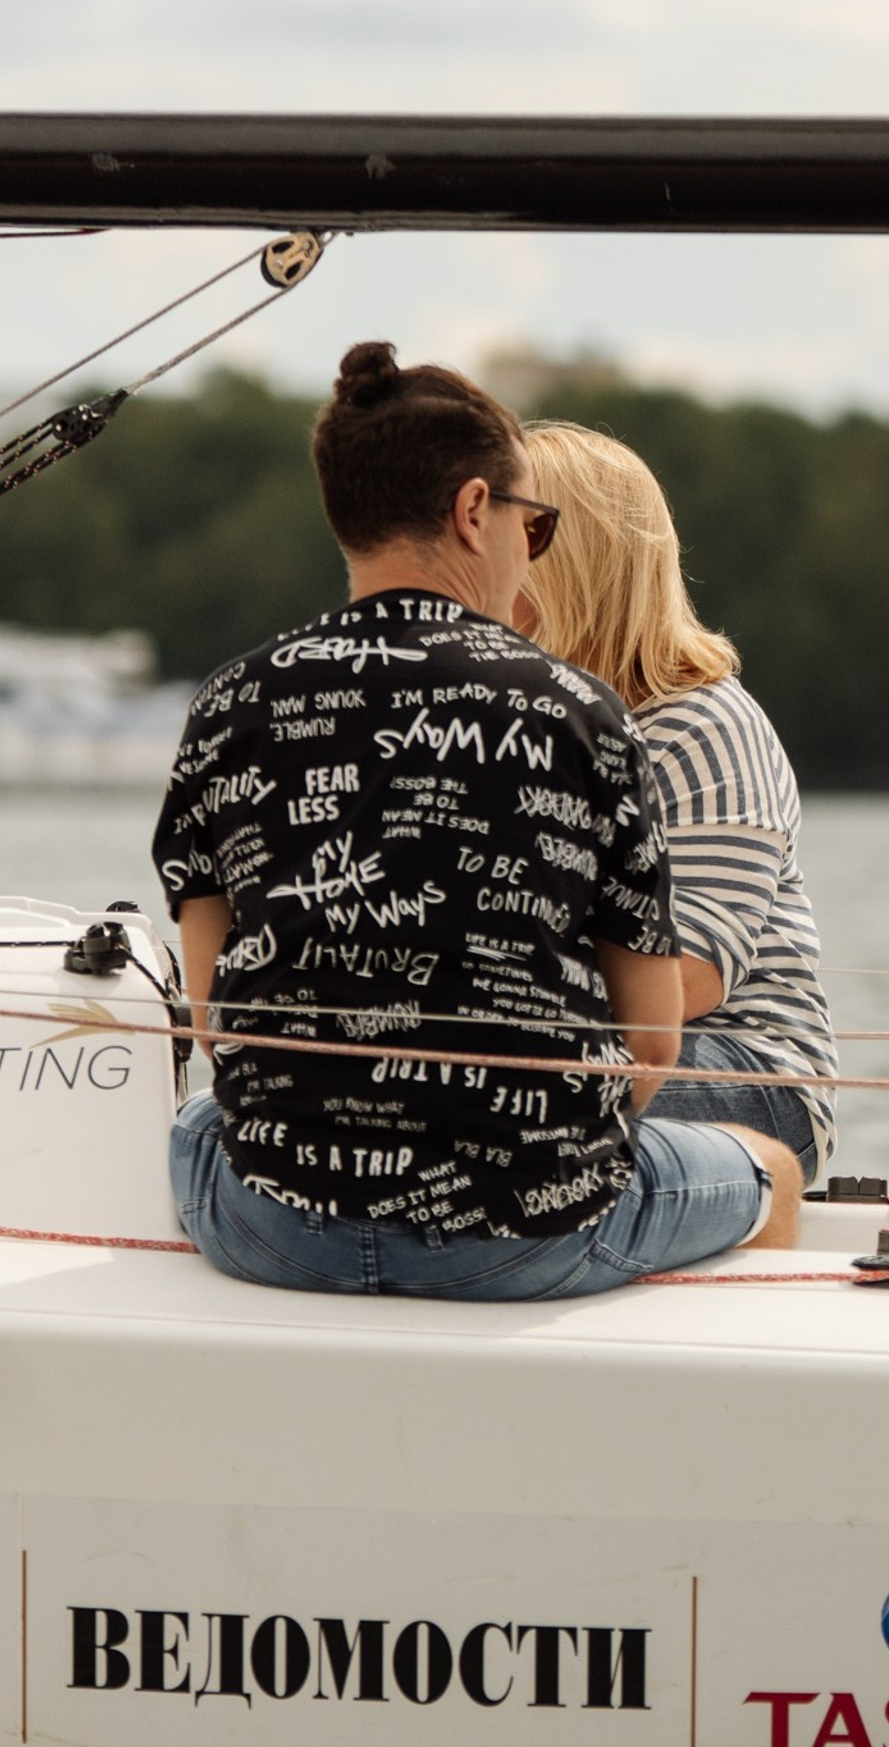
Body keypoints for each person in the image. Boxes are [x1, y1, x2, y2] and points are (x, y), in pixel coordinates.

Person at [155, 341, 803, 1297]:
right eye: (530, 526)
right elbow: (653, 1042)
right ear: (472, 511)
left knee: (194, 1123)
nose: (529, 554)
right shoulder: (580, 714)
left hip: (275, 1226)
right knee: (772, 1170)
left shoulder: (228, 703)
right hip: (523, 1235)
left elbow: (217, 1022)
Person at [513, 421, 835, 1185]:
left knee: (484, 1094)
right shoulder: (512, 724)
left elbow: (690, 978)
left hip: (748, 1069)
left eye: (498, 533)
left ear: (568, 560)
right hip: (552, 1042)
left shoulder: (702, 725)